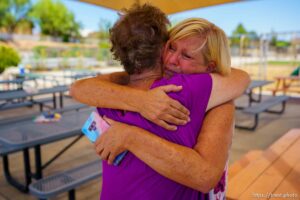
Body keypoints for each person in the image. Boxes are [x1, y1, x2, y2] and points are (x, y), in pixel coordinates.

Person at [70, 4, 250, 200]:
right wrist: (141, 101)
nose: (172, 59)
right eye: (171, 47)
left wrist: (130, 136)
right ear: (161, 46)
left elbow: (80, 87)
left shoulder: (106, 94)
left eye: (187, 56)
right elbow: (242, 77)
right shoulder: (183, 89)